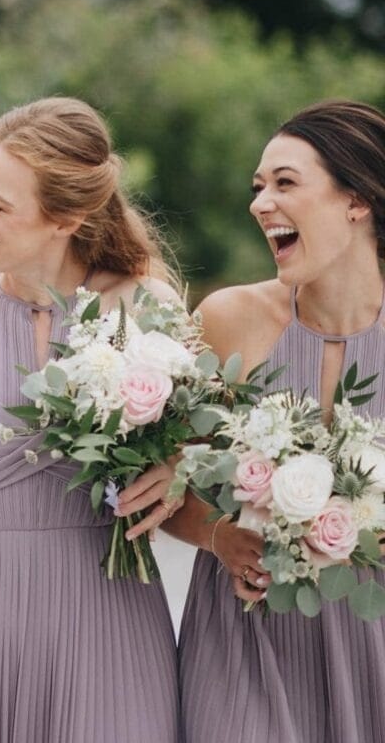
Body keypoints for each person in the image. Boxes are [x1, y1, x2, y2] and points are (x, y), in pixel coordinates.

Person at [0, 97, 181, 742]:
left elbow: (203, 450)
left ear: (68, 219)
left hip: (106, 623)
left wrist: (181, 462)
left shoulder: (148, 310)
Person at [170, 99, 385, 742]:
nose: (261, 203)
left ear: (357, 199)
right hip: (243, 637)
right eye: (258, 187)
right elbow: (165, 482)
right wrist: (219, 537)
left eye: (285, 183)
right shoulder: (229, 320)